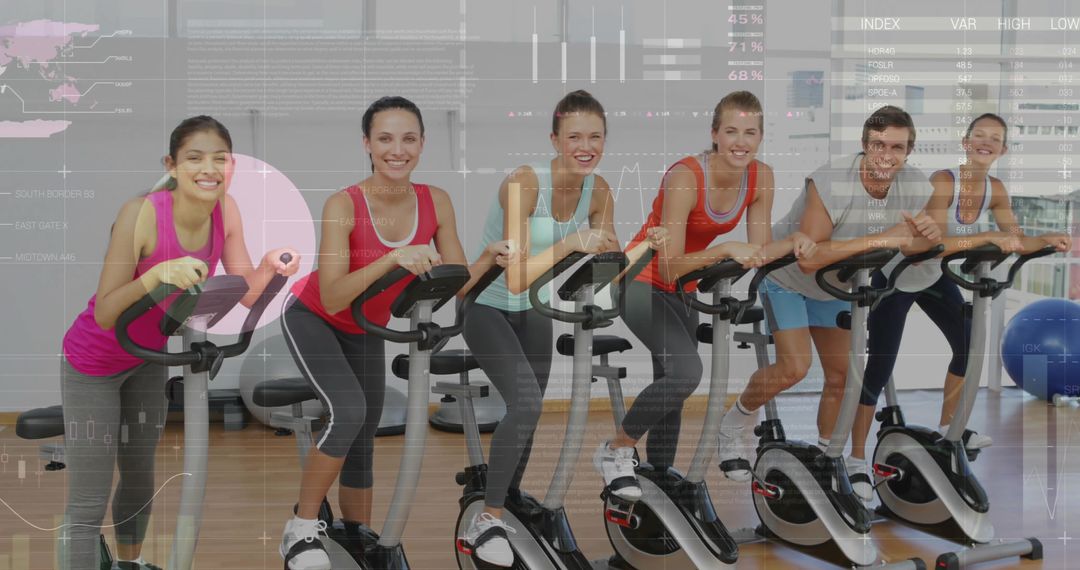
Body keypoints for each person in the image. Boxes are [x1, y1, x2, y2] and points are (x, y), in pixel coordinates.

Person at [277, 96, 510, 570]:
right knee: (349, 411)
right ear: (367, 143)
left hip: (367, 328)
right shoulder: (344, 204)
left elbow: (456, 278)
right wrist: (392, 258)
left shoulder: (435, 201)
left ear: (422, 143)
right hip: (314, 318)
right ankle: (300, 528)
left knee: (362, 437)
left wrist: (491, 257)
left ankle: (357, 540)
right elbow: (336, 295)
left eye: (408, 139)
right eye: (385, 138)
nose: (397, 150)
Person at [59, 116, 301, 570]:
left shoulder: (226, 210)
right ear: (172, 164)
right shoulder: (142, 214)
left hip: (148, 358)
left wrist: (270, 267)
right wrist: (155, 275)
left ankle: (128, 564)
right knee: (89, 499)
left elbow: (245, 288)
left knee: (138, 476)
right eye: (195, 157)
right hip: (93, 362)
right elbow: (108, 311)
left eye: (220, 159)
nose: (208, 168)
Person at [457, 90, 660, 567]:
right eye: (574, 137)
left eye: (595, 136)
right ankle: (485, 518)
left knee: (527, 412)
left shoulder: (600, 190)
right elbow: (517, 275)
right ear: (554, 139)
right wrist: (573, 241)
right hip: (486, 304)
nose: (585, 146)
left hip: (533, 310)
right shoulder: (525, 184)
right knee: (525, 403)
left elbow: (606, 267)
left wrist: (644, 247)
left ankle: (505, 500)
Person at [594, 91, 814, 497]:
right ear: (715, 134)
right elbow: (667, 264)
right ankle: (617, 448)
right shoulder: (686, 177)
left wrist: (796, 239)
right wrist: (724, 250)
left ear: (761, 137)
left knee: (671, 386)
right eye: (731, 130)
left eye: (750, 132)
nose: (740, 141)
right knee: (685, 373)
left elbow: (760, 251)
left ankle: (659, 478)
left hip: (682, 289)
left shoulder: (760, 177)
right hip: (640, 281)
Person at [845, 112, 1073, 501]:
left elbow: (1013, 238)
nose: (986, 142)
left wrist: (1046, 240)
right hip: (897, 275)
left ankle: (951, 429)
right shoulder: (942, 182)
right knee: (880, 365)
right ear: (966, 143)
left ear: (1003, 149)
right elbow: (935, 245)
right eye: (979, 136)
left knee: (967, 348)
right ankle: (854, 459)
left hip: (935, 278)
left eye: (995, 138)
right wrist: (987, 236)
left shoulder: (995, 190)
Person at [715, 105, 942, 484]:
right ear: (863, 145)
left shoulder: (916, 186)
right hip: (787, 276)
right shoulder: (831, 180)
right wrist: (890, 238)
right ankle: (734, 421)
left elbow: (913, 250)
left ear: (909, 151)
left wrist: (925, 241)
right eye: (878, 145)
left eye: (898, 148)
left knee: (843, 378)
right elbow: (810, 258)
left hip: (839, 284)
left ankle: (826, 458)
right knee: (795, 368)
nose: (887, 156)